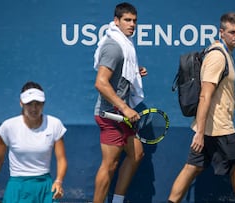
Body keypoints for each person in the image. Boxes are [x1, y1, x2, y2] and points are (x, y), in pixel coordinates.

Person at [167, 12, 235, 203]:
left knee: (192, 167)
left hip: (212, 128)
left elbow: (228, 95)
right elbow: (205, 95)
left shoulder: (226, 55)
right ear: (222, 32)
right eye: (232, 32)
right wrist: (200, 133)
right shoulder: (218, 57)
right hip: (219, 130)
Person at [92, 2, 148, 203]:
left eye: (134, 21)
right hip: (111, 114)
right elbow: (100, 83)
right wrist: (124, 107)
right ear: (116, 21)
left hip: (123, 115)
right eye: (127, 20)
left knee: (137, 155)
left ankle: (117, 200)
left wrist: (135, 73)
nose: (132, 24)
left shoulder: (125, 45)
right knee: (109, 165)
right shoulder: (114, 47)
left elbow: (116, 75)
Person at [0, 81, 68, 202]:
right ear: (21, 103)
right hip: (17, 187)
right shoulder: (8, 127)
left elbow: (61, 159)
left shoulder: (55, 124)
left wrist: (58, 181)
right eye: (29, 104)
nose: (34, 108)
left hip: (45, 187)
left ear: (44, 103)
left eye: (38, 104)